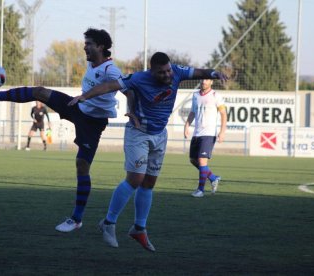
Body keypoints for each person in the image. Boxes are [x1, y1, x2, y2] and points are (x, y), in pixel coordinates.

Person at [68, 52, 228, 252]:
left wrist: (215, 73)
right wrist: (84, 95)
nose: (168, 75)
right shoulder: (138, 78)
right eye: (162, 72)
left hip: (160, 134)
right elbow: (110, 86)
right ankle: (108, 223)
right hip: (139, 133)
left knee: (149, 182)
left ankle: (139, 229)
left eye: (168, 70)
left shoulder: (177, 72)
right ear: (152, 71)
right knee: (135, 178)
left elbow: (199, 71)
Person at [0, 28, 122, 232]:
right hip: (77, 107)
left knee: (82, 166)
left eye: (89, 43)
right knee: (39, 92)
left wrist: (134, 113)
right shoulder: (91, 63)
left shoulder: (112, 70)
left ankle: (76, 219)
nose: (85, 46)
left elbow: (124, 87)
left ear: (101, 46)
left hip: (92, 123)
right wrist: (83, 99)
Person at [184, 79, 227, 198]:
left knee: (202, 161)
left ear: (211, 82)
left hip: (209, 133)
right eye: (203, 79)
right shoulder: (195, 95)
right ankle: (213, 178)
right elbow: (193, 112)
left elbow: (223, 114)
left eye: (207, 79)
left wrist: (222, 132)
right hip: (197, 133)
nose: (204, 81)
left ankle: (200, 190)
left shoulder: (215, 95)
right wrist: (187, 125)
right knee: (193, 160)